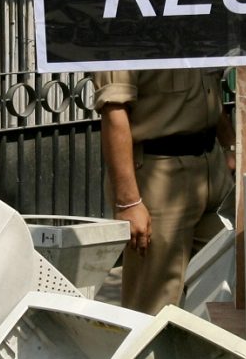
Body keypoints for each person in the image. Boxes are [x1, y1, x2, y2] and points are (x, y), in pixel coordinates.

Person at [95, 69, 235, 313]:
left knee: (222, 288)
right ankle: (149, 352)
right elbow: (114, 113)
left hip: (212, 167)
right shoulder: (122, 35)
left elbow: (211, 94)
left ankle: (203, 352)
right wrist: (128, 202)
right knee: (154, 304)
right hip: (159, 173)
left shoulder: (190, 32)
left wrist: (230, 145)